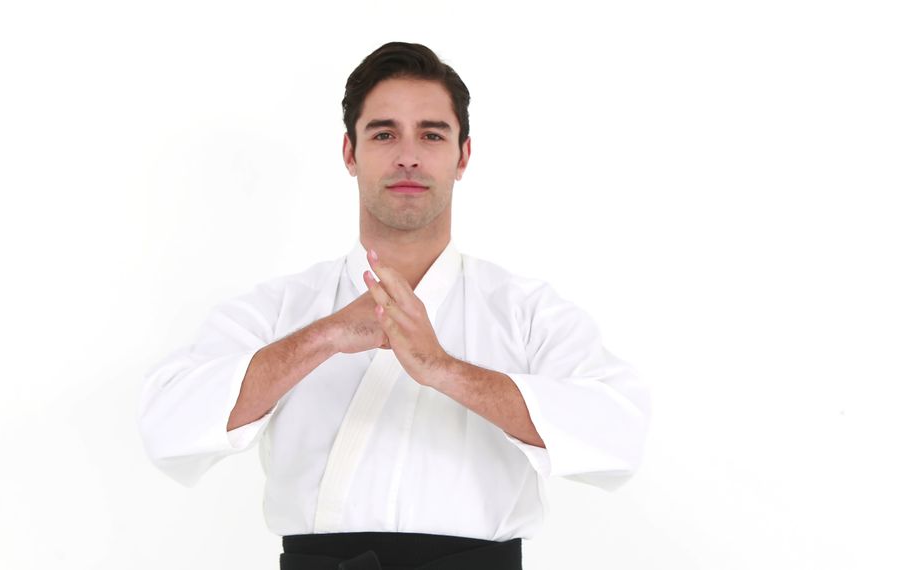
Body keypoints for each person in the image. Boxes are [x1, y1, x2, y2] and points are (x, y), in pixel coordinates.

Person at [137, 41, 652, 570]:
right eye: (384, 134)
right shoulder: (283, 306)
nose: (408, 155)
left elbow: (620, 432)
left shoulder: (525, 310)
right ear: (349, 154)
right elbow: (167, 424)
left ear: (463, 157)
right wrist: (324, 337)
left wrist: (442, 369)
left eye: (432, 134)